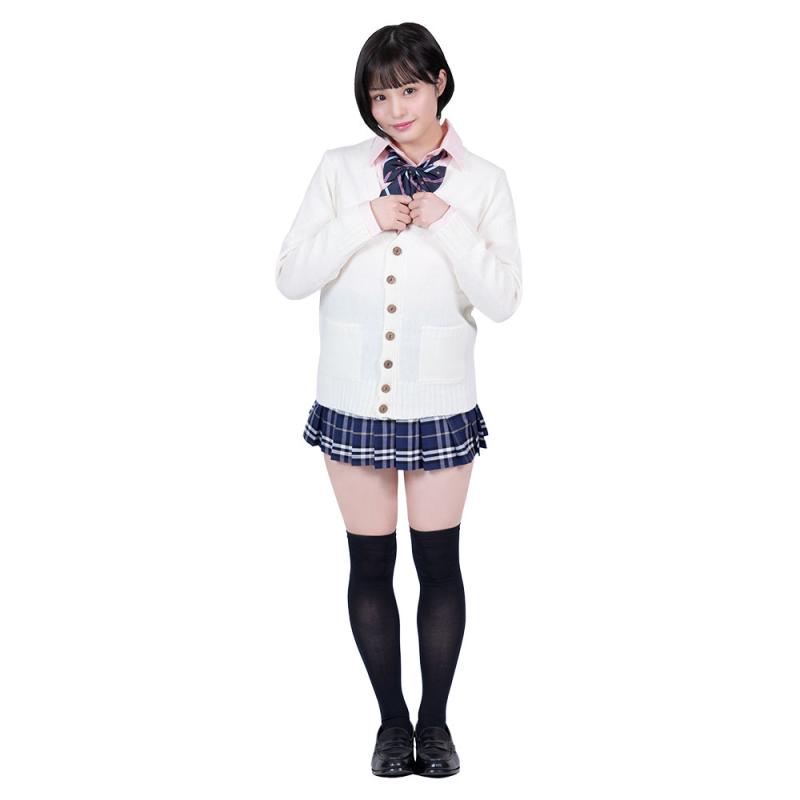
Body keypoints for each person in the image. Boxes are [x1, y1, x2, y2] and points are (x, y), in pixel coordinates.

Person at [275, 21, 523, 778]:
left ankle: (436, 726)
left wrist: (446, 223)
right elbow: (290, 276)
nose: (394, 110)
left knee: (439, 565)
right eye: (379, 97)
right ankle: (391, 725)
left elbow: (504, 299)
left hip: (440, 400)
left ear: (439, 82)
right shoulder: (340, 170)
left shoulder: (484, 181)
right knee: (370, 565)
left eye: (408, 90)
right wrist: (364, 219)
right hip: (352, 399)